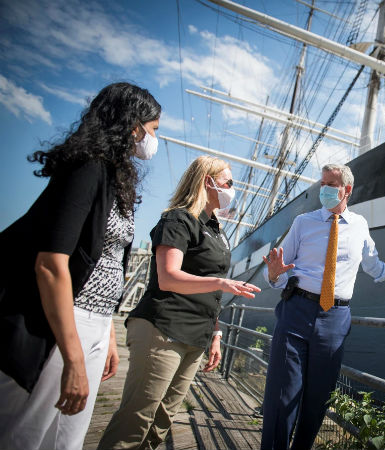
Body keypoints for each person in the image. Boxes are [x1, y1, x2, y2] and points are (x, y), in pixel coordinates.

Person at [0, 82, 161, 450]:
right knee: (26, 436)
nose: (153, 140)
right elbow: (51, 264)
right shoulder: (88, 168)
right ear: (132, 125)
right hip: (61, 322)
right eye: (153, 130)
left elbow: (107, 264)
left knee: (66, 441)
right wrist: (72, 356)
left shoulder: (118, 179)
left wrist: (106, 336)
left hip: (95, 323)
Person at [260, 163, 385, 450]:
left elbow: (374, 265)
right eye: (323, 183)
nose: (325, 189)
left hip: (335, 318)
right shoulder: (303, 223)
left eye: (332, 184)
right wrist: (273, 273)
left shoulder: (359, 226)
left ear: (347, 189)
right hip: (296, 311)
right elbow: (279, 269)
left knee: (319, 398)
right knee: (282, 394)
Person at [97, 155, 261, 450]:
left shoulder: (216, 230)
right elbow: (169, 278)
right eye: (229, 182)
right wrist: (222, 283)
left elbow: (210, 290)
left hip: (196, 336)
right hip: (164, 329)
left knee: (162, 420)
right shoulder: (178, 219)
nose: (232, 188)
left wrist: (216, 334)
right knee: (136, 419)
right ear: (207, 182)